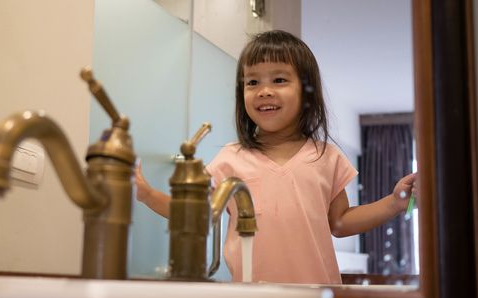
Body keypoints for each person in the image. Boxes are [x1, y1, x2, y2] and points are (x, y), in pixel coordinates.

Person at [135, 30, 417, 284]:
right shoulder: (230, 158)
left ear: (307, 92)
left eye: (279, 80)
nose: (264, 91)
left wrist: (394, 203)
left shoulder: (326, 156)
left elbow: (340, 222)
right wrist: (146, 193)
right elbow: (196, 213)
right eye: (252, 82)